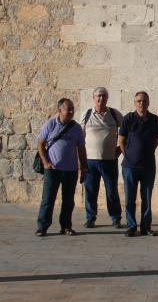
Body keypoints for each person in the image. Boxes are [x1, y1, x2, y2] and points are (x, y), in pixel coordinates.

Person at [35, 98, 87, 236]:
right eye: (68, 109)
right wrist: (46, 162)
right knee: (48, 199)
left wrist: (84, 168)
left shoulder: (76, 128)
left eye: (72, 109)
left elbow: (81, 149)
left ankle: (66, 226)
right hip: (53, 169)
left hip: (71, 170)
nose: (71, 112)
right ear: (59, 110)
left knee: (68, 201)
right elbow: (41, 144)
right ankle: (42, 227)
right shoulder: (50, 125)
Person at [118, 91, 158, 237]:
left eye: (144, 101)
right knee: (130, 198)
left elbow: (156, 141)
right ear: (134, 103)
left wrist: (146, 153)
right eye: (138, 101)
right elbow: (121, 141)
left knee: (147, 198)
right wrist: (129, 156)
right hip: (130, 166)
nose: (141, 103)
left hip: (148, 166)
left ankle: (146, 227)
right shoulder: (128, 119)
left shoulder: (155, 120)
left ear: (148, 103)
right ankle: (131, 226)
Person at [81, 87, 123, 229]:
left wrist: (119, 150)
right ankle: (90, 218)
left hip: (109, 160)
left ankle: (116, 218)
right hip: (90, 161)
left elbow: (125, 133)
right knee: (91, 191)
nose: (101, 99)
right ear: (93, 98)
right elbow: (80, 138)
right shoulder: (86, 114)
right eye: (98, 96)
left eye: (104, 96)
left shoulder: (114, 114)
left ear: (107, 98)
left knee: (112, 191)